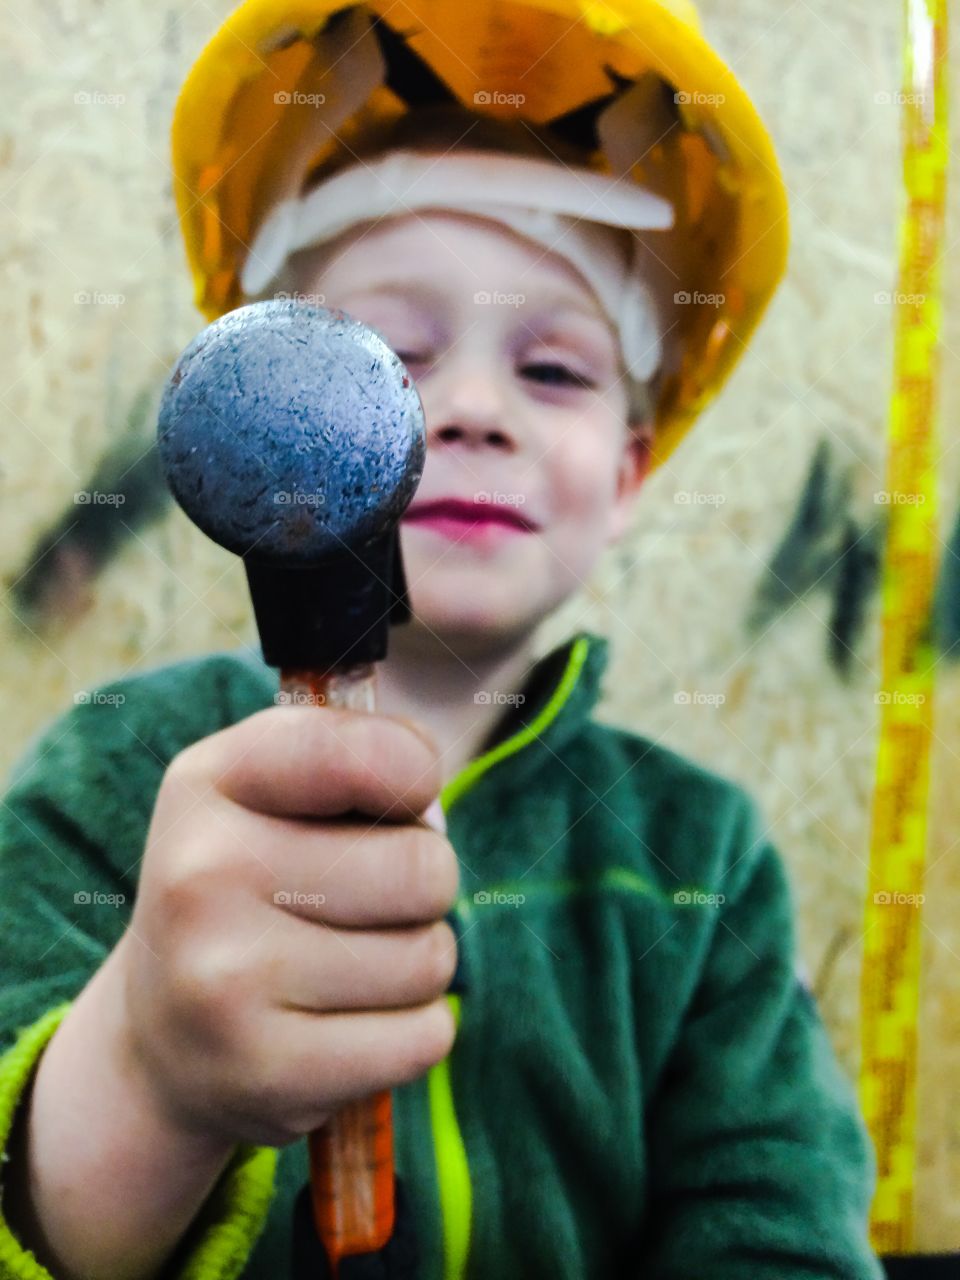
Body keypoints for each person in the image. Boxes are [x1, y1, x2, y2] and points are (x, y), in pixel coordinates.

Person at [0, 2, 884, 1278]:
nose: (467, 405)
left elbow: (779, 1225)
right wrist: (146, 1074)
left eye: (558, 370)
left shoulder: (701, 859)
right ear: (264, 415)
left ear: (629, 475)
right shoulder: (110, 775)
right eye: (394, 351)